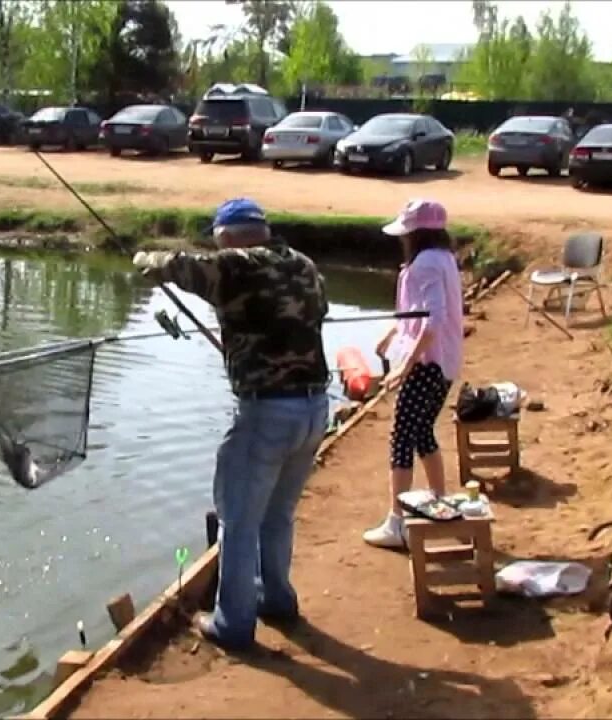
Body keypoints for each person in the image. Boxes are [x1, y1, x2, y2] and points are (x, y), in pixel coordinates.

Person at [132, 198, 330, 651]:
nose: (215, 244)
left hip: (267, 413)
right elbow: (295, 316)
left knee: (237, 520)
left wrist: (148, 260)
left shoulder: (238, 265)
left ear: (229, 234)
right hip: (315, 407)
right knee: (277, 515)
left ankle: (234, 624)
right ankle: (276, 598)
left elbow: (183, 266)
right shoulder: (302, 264)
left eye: (217, 237)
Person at [364, 198, 464, 550]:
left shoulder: (423, 265)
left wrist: (405, 367)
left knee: (402, 437)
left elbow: (433, 320)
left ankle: (397, 521)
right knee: (422, 431)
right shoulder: (444, 258)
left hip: (427, 364)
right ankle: (439, 499)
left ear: (415, 234)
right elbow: (417, 313)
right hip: (445, 360)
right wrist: (392, 335)